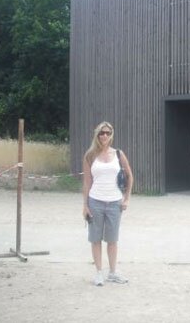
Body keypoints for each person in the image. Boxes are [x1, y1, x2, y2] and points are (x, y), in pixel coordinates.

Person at [82, 121, 133, 286]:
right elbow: (87, 182)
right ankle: (98, 273)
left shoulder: (118, 154)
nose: (104, 135)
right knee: (95, 238)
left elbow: (130, 176)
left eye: (107, 133)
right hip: (95, 201)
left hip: (114, 203)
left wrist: (127, 198)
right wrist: (85, 205)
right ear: (97, 135)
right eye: (101, 133)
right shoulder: (90, 155)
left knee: (112, 239)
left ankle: (112, 272)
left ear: (111, 135)